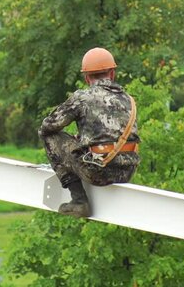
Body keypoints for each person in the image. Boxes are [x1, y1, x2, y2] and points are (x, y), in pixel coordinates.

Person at [38, 47, 140, 218]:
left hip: (99, 172)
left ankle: (78, 200)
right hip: (128, 171)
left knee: (50, 137)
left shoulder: (83, 98)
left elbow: (48, 126)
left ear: (86, 77)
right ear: (112, 74)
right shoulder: (129, 99)